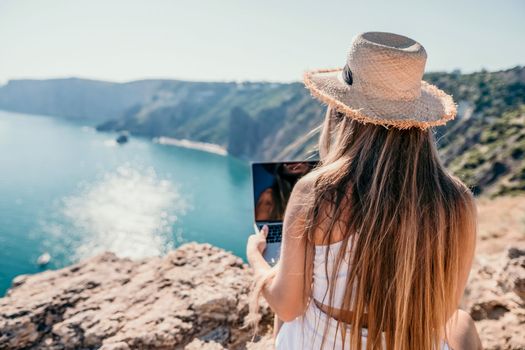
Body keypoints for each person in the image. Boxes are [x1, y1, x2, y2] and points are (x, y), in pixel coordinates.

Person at [245, 32, 482, 349]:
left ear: (342, 112)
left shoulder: (316, 192)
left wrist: (257, 261)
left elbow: (289, 306)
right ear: (420, 121)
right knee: (462, 324)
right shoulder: (457, 201)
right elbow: (442, 313)